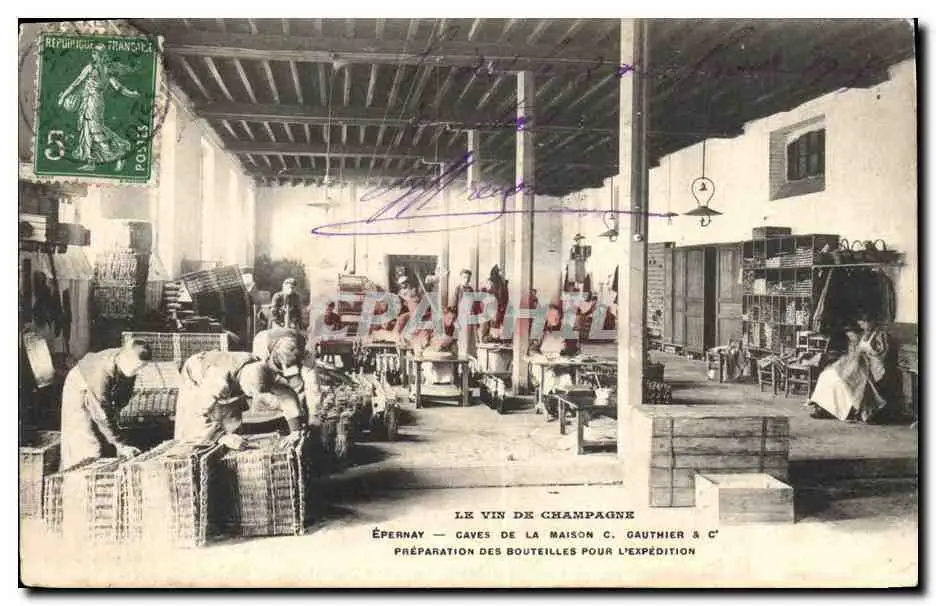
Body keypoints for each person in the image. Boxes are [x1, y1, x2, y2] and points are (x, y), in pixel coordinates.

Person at [174, 350, 305, 448]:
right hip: (195, 371)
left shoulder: (263, 368)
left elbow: (287, 395)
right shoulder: (218, 383)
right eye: (250, 394)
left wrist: (295, 430)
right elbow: (197, 413)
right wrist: (222, 438)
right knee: (195, 434)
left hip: (227, 371)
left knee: (233, 426)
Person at [59, 339, 152, 470]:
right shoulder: (101, 372)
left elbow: (122, 397)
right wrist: (120, 444)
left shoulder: (131, 366)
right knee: (87, 443)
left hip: (99, 393)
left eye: (141, 368)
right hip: (79, 385)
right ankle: (76, 478)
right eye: (136, 367)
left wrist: (115, 429)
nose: (138, 371)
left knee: (106, 437)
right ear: (125, 358)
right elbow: (101, 412)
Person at [57, 44, 139, 172]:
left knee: (96, 132)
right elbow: (77, 83)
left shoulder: (101, 69)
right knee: (87, 131)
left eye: (95, 53)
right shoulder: (98, 68)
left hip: (94, 102)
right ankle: (91, 162)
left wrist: (131, 94)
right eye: (93, 53)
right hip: (89, 101)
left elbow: (117, 87)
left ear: (101, 55)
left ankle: (119, 155)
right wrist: (131, 94)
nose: (93, 55)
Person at [806, 311, 895, 422]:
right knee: (827, 375)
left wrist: (866, 352)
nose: (862, 326)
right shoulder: (864, 334)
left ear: (872, 322)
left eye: (864, 323)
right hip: (859, 362)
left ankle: (842, 410)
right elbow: (855, 351)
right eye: (861, 323)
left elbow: (882, 354)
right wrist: (854, 352)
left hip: (872, 365)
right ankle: (824, 407)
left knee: (842, 381)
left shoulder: (881, 334)